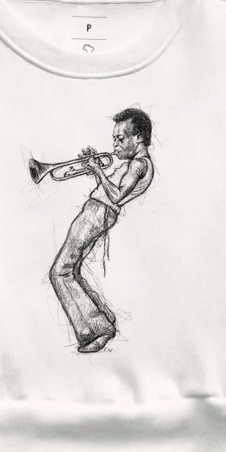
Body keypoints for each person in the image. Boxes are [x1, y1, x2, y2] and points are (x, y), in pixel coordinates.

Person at [49, 107, 155, 354]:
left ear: (138, 137)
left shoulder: (139, 165)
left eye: (121, 138)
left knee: (60, 271)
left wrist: (97, 170)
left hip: (98, 212)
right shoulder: (135, 164)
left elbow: (116, 196)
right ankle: (100, 324)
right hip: (96, 211)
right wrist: (95, 167)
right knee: (68, 270)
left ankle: (98, 329)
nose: (115, 145)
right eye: (114, 139)